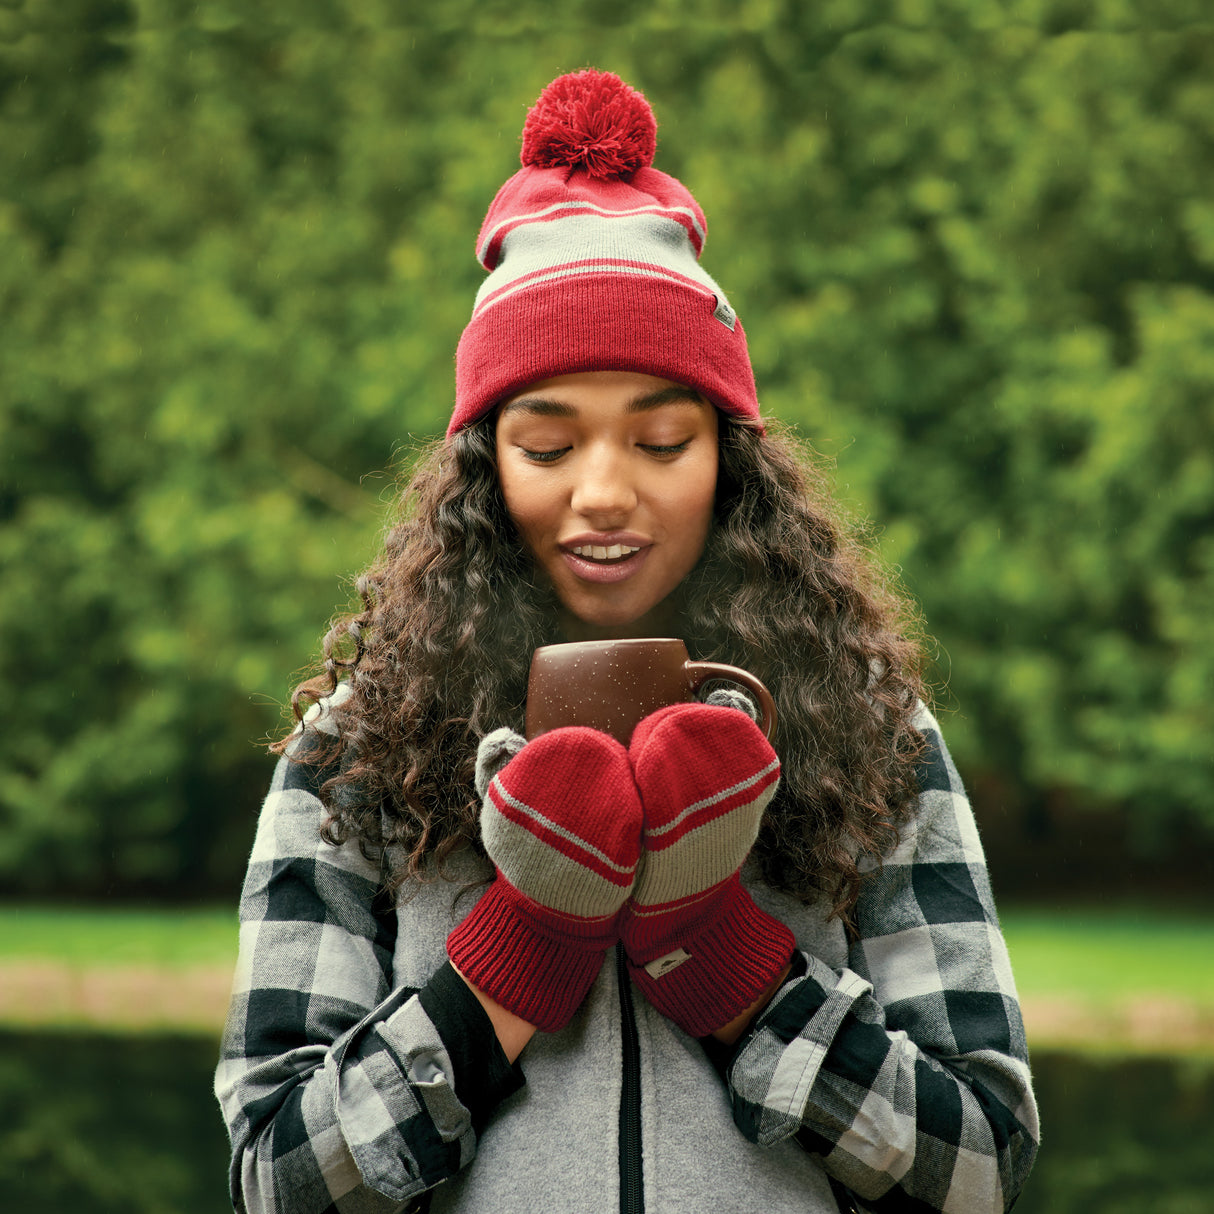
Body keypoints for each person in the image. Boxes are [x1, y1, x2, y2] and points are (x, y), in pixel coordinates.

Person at [215, 69, 1039, 1214]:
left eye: (660, 439)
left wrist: (724, 954)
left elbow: (981, 1163)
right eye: (547, 446)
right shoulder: (355, 750)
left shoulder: (871, 732)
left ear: (728, 460)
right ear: (485, 470)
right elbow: (276, 1180)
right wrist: (520, 946)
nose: (603, 491)